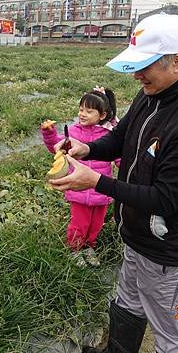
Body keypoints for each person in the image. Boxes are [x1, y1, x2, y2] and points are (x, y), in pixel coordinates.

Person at [50, 13, 178, 353]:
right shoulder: (152, 95)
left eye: (146, 65)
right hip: (137, 236)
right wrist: (87, 148)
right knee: (127, 301)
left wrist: (97, 181)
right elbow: (120, 138)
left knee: (172, 335)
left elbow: (165, 200)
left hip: (170, 253)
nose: (138, 75)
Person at [40, 87, 119, 266]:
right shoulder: (74, 132)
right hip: (79, 189)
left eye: (89, 111)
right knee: (79, 224)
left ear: (102, 115)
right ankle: (75, 249)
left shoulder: (108, 135)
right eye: (81, 109)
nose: (82, 114)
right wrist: (49, 133)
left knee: (96, 224)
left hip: (101, 189)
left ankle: (89, 246)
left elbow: (119, 156)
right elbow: (57, 146)